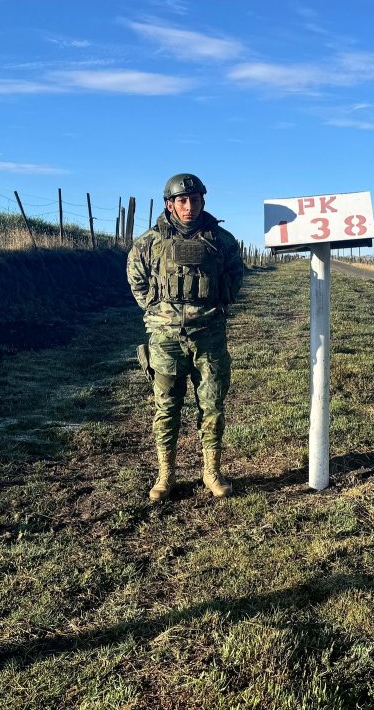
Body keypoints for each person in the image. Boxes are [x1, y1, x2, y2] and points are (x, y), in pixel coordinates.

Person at [126, 173, 244, 503]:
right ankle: (166, 475)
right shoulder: (149, 242)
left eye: (194, 200)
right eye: (181, 200)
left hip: (208, 336)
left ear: (203, 201)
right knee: (167, 408)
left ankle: (212, 472)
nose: (188, 206)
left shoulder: (221, 240)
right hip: (165, 339)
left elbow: (235, 277)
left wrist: (216, 305)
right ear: (170, 204)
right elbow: (136, 279)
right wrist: (156, 309)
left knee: (213, 407)